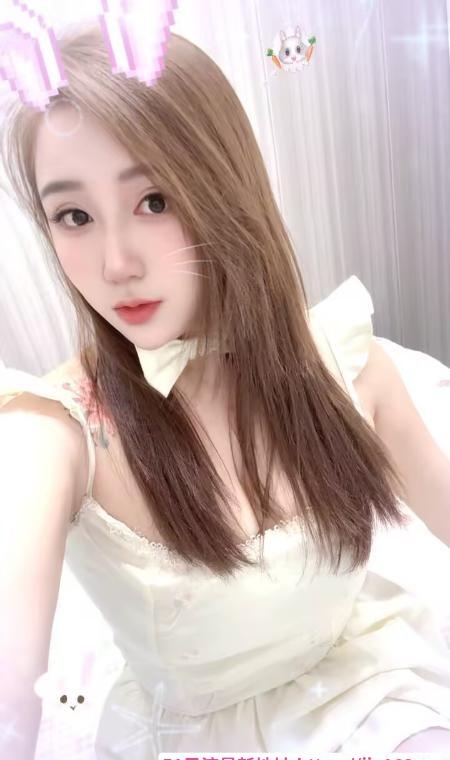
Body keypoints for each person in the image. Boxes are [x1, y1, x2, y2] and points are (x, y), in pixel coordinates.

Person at [1, 21, 450, 760]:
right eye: (73, 216)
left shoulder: (346, 360)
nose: (116, 263)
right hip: (190, 733)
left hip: (359, 687)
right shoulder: (51, 432)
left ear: (224, 186)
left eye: (155, 200)